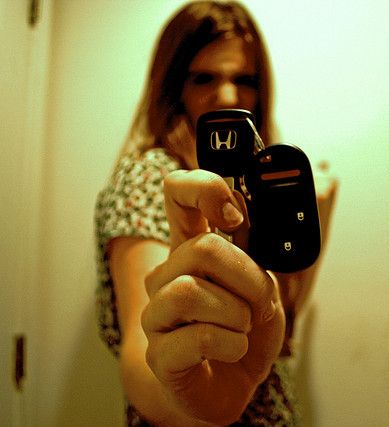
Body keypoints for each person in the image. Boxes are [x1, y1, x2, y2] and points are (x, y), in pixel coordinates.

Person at [95, 1, 336, 425]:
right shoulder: (153, 176)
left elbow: (280, 331)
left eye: (245, 80)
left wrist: (320, 217)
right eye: (204, 77)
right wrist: (199, 399)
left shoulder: (255, 179)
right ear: (173, 87)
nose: (227, 96)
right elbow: (141, 352)